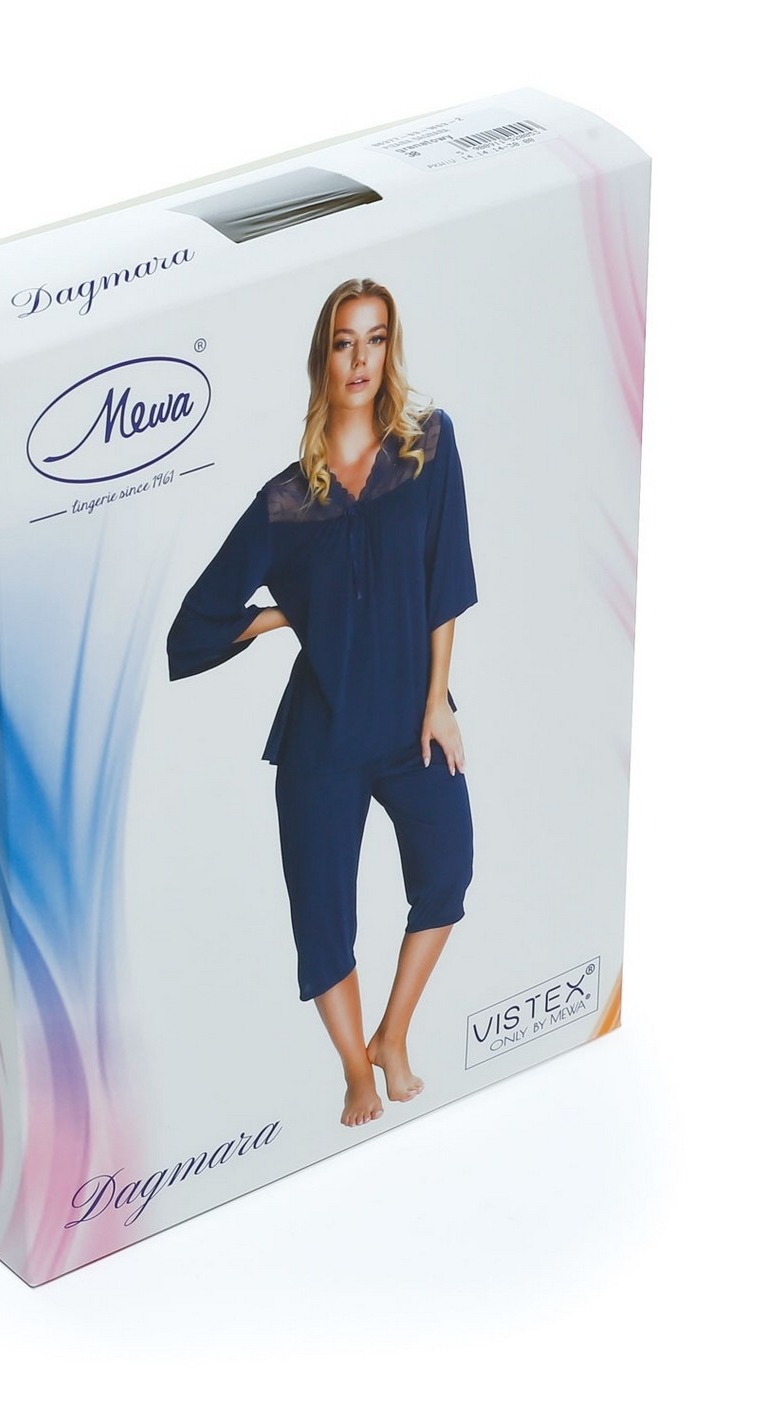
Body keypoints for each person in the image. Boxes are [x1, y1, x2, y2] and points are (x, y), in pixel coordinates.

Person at [167, 277, 477, 1128]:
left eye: (375, 339)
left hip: (412, 717)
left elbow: (445, 577)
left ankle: (391, 1034)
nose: (360, 359)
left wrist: (439, 700)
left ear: (390, 349)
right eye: (345, 341)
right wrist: (281, 615)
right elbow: (192, 627)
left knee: (448, 869)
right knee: (323, 918)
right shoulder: (285, 502)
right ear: (324, 357)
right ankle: (354, 1072)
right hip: (322, 737)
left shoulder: (427, 449)